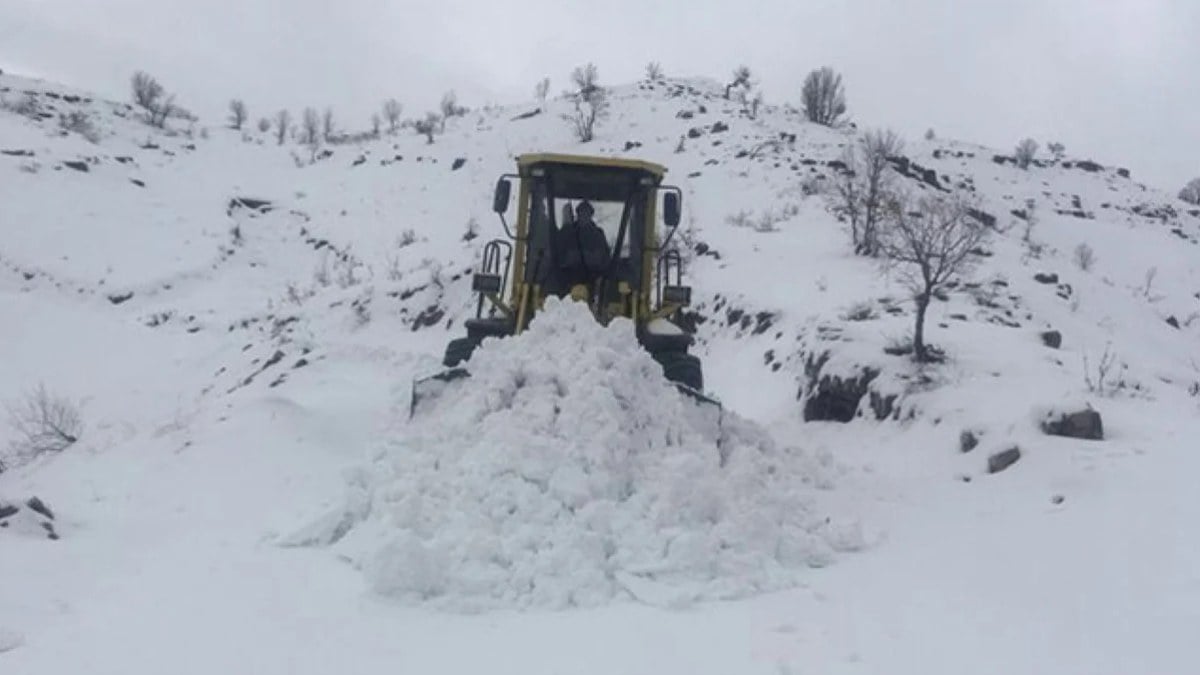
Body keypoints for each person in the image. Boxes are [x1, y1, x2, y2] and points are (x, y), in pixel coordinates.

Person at [555, 200, 611, 297]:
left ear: (591, 215)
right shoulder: (567, 233)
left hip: (593, 279)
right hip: (567, 278)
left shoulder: (598, 235)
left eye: (587, 213)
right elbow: (557, 255)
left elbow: (605, 258)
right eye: (581, 213)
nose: (584, 216)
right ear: (577, 214)